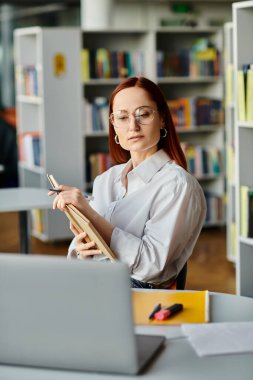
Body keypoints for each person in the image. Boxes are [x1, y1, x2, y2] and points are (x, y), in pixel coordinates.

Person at [49, 76, 206, 289]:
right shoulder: (105, 180)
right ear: (113, 125)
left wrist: (91, 214)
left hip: (139, 296)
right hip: (94, 283)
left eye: (143, 114)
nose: (133, 126)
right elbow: (80, 253)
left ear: (162, 119)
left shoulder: (177, 185)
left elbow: (152, 267)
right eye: (122, 117)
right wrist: (81, 250)